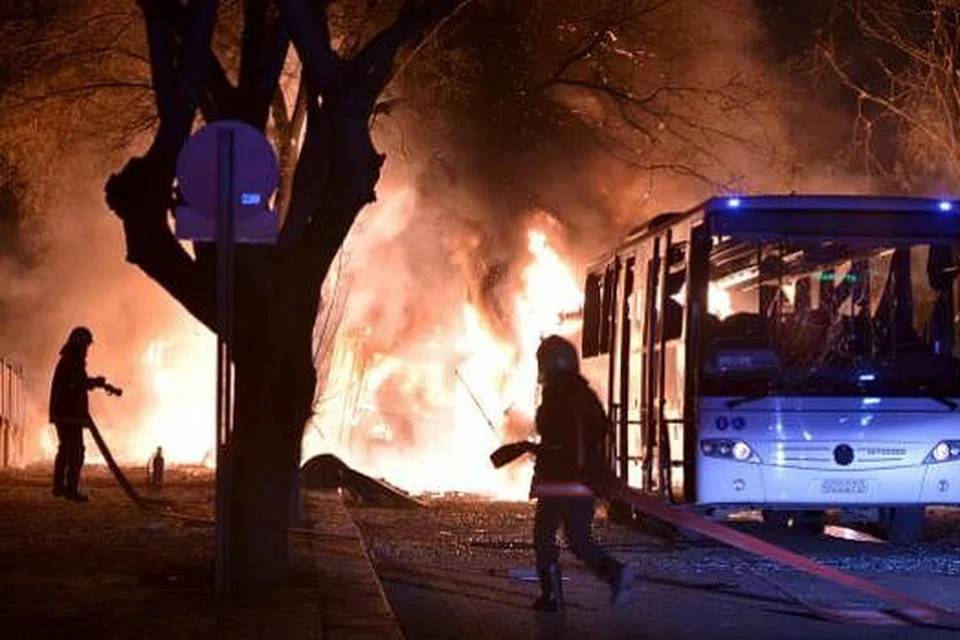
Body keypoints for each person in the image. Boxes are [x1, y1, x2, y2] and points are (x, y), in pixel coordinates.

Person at [530, 335, 634, 612]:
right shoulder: (585, 394)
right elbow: (600, 429)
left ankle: (551, 595)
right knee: (578, 538)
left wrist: (537, 448)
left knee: (543, 536)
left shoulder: (555, 395)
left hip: (558, 480)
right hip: (585, 481)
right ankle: (614, 573)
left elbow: (553, 436)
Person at [49, 326, 110, 502]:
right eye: (85, 346)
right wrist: (95, 382)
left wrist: (95, 383)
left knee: (66, 449)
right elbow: (77, 384)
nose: (87, 350)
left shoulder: (69, 360)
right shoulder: (71, 361)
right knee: (76, 451)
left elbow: (77, 383)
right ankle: (70, 490)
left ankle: (59, 487)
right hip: (68, 414)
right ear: (79, 344)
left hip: (65, 413)